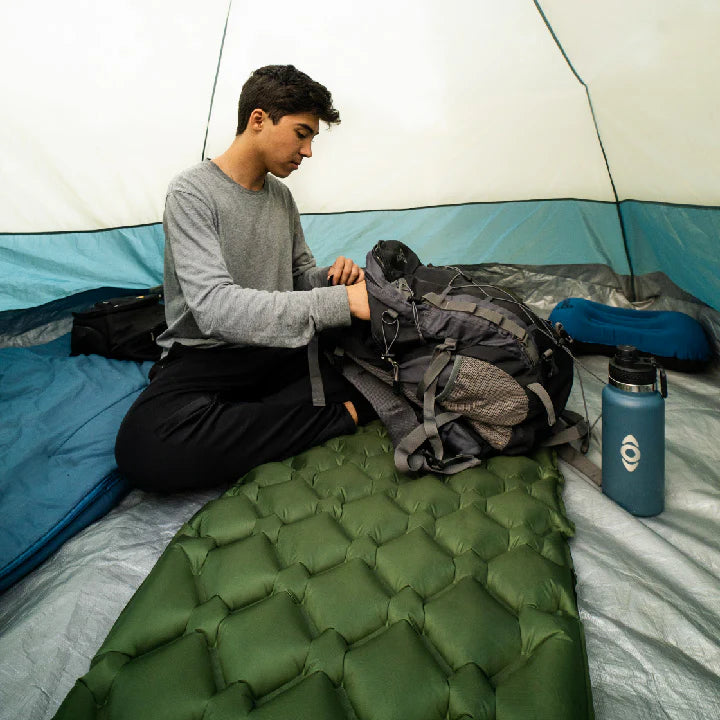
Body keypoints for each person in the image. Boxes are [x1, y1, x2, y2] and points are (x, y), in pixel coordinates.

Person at [115, 64, 373, 493]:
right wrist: (340, 304)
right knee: (145, 448)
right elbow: (215, 308)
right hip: (206, 355)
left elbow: (295, 278)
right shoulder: (192, 193)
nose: (307, 151)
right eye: (302, 133)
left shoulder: (282, 197)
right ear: (258, 120)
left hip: (277, 349)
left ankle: (256, 420)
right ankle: (332, 416)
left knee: (371, 360)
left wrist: (330, 280)